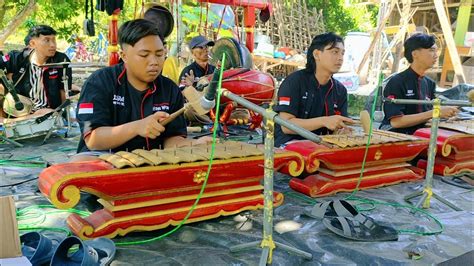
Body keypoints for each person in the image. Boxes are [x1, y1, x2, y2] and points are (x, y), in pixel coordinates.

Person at [72, 19, 210, 162]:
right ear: (123, 55)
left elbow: (172, 141)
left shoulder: (170, 89)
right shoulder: (99, 82)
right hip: (102, 156)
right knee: (78, 164)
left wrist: (193, 144)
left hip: (152, 158)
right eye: (144, 55)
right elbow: (93, 139)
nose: (154, 62)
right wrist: (138, 127)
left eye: (159, 54)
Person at [274, 32, 354, 147]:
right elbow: (286, 126)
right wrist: (324, 121)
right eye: (335, 52)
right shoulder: (294, 81)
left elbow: (338, 127)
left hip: (324, 144)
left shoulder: (340, 90)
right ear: (316, 54)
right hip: (290, 145)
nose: (340, 58)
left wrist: (342, 130)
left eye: (342, 53)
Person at [380, 33, 458, 135]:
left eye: (436, 50)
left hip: (421, 135)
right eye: (431, 50)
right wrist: (436, 112)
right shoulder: (397, 82)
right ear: (415, 54)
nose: (436, 55)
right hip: (397, 137)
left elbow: (427, 116)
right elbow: (396, 122)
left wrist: (444, 116)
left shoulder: (430, 83)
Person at [0, 25, 72, 121]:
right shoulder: (16, 58)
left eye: (54, 40)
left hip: (47, 114)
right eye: (47, 40)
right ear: (32, 43)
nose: (53, 45)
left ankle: (11, 122)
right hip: (17, 110)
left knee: (45, 112)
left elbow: (64, 91)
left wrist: (64, 116)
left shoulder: (61, 59)